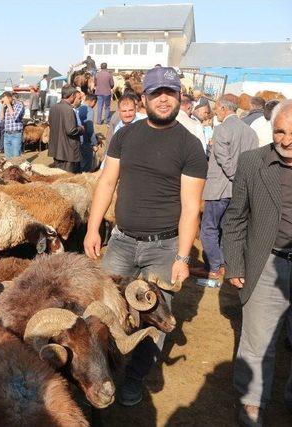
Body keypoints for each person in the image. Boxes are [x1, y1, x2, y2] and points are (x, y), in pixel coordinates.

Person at [84, 66, 208, 406]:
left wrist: (183, 257)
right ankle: (105, 370)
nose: (163, 99)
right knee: (105, 308)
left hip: (164, 247)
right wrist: (94, 227)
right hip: (121, 241)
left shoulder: (191, 145)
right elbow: (107, 182)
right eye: (156, 93)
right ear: (144, 99)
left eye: (170, 92)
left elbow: (190, 205)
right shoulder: (125, 135)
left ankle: (134, 378)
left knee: (155, 316)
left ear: (180, 96)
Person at [222, 100, 292, 427]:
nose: (287, 139)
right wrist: (235, 263)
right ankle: (252, 403)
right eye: (280, 131)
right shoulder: (253, 162)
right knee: (258, 340)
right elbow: (235, 218)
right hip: (266, 263)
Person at [195, 94, 259, 284]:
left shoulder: (222, 129)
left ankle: (215, 267)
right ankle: (223, 264)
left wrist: (235, 178)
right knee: (228, 230)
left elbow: (224, 159)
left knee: (208, 228)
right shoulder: (250, 132)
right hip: (239, 191)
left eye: (217, 109)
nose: (215, 112)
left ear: (224, 108)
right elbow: (252, 161)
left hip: (220, 188)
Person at [48, 84, 83, 173]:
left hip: (56, 150)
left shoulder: (53, 108)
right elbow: (71, 130)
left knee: (58, 177)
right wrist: (81, 129)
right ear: (71, 96)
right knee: (67, 179)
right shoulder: (68, 109)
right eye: (75, 96)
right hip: (68, 152)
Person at [0, 91, 25, 159]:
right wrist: (3, 108)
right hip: (6, 135)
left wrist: (8, 105)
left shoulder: (19, 105)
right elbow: (1, 119)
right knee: (8, 158)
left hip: (16, 135)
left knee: (16, 158)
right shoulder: (6, 107)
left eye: (4, 101)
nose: (3, 103)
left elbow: (14, 117)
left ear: (9, 98)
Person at [77, 93, 98, 172]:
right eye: (95, 103)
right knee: (86, 164)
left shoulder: (78, 108)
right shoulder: (89, 110)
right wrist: (94, 143)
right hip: (85, 140)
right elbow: (89, 129)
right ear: (93, 101)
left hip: (77, 139)